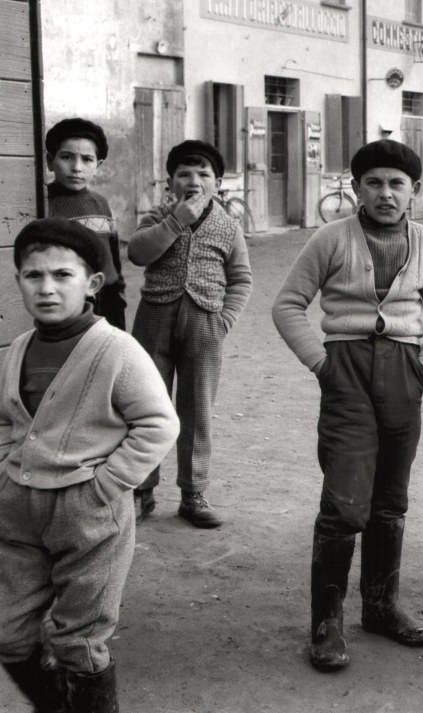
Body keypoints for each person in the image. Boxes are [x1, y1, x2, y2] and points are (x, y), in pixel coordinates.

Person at [273, 139, 423, 672]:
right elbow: (287, 305)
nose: (385, 193)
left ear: (414, 192)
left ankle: (380, 607)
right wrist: (322, 364)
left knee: (390, 497)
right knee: (345, 500)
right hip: (346, 373)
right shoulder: (331, 239)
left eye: (397, 184)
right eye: (373, 182)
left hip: (403, 374)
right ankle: (326, 624)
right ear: (356, 188)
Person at [0, 219, 178, 712]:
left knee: (79, 641)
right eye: (33, 276)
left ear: (92, 284)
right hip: (18, 510)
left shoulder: (115, 350)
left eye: (62, 275)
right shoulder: (17, 350)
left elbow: (158, 424)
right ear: (19, 282)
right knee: (9, 633)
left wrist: (104, 487)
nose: (47, 288)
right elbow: (7, 419)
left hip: (89, 516)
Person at [128, 140, 252, 528]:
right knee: (146, 408)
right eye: (184, 174)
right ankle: (141, 492)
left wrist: (224, 320)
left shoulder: (229, 227)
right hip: (153, 322)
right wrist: (175, 221)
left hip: (204, 325)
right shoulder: (156, 218)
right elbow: (137, 253)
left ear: (218, 183)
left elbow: (241, 280)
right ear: (170, 183)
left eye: (203, 174)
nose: (194, 181)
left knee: (197, 410)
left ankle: (193, 493)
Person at [45, 118, 127, 330]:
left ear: (98, 166)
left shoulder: (101, 204)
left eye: (87, 159)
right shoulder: (42, 203)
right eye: (66, 157)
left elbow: (113, 257)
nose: (76, 168)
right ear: (49, 161)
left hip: (107, 300)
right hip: (65, 301)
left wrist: (118, 295)